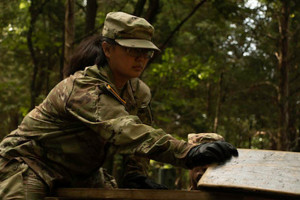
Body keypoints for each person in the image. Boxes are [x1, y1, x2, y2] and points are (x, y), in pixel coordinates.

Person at [0, 11, 238, 199]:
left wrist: (136, 174)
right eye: (132, 50)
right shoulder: (84, 88)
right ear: (107, 49)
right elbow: (125, 130)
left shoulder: (138, 91)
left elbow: (142, 131)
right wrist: (187, 152)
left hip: (81, 173)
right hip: (31, 163)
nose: (140, 58)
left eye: (146, 52)